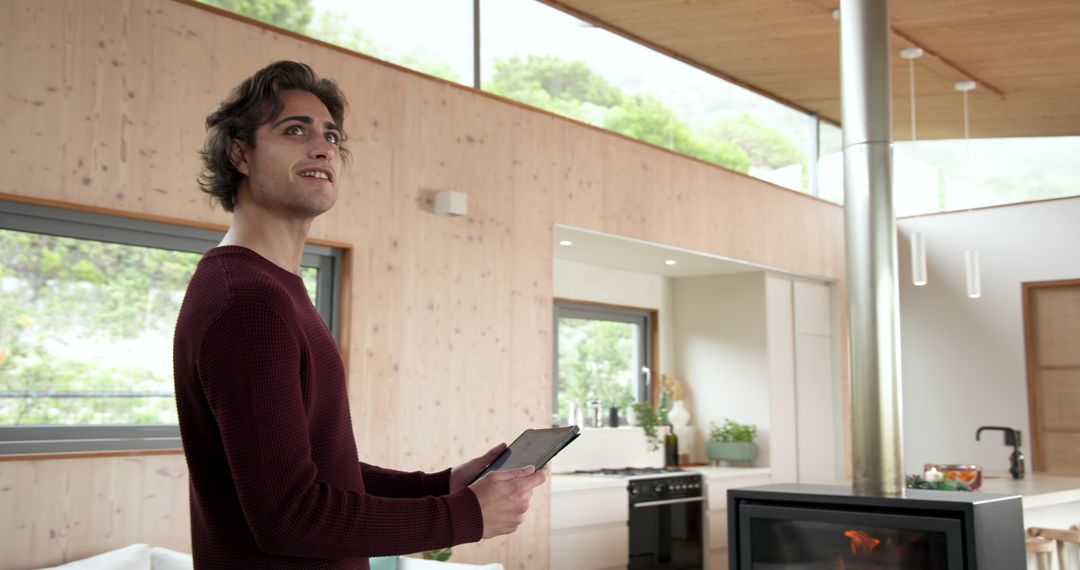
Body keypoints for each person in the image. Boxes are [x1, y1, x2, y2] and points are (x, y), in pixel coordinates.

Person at [173, 60, 547, 569]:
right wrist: (465, 515)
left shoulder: (272, 290)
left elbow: (317, 476)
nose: (323, 147)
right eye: (294, 129)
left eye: (331, 135)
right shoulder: (248, 301)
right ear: (240, 152)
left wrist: (443, 485)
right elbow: (291, 515)